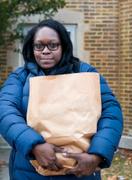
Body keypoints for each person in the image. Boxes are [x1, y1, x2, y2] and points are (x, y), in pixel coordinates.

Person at [0, 19, 123, 180]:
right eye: (39, 46)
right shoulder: (20, 77)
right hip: (28, 171)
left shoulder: (84, 72)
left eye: (53, 45)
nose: (45, 51)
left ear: (64, 46)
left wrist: (97, 155)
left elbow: (111, 112)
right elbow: (5, 111)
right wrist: (34, 145)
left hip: (80, 171)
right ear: (32, 48)